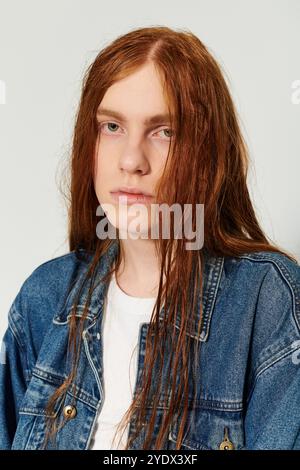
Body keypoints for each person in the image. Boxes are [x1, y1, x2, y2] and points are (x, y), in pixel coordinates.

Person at [1, 25, 300, 451]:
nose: (131, 160)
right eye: (112, 126)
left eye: (164, 132)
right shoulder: (44, 299)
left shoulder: (267, 302)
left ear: (208, 151)